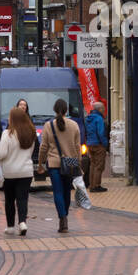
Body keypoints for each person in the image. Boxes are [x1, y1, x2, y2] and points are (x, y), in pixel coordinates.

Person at [37, 98, 82, 234]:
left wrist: (40, 162)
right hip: (70, 164)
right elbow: (77, 147)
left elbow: (43, 147)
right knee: (67, 192)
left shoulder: (48, 126)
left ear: (54, 110)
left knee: (57, 192)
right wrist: (78, 163)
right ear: (66, 110)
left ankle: (62, 218)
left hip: (54, 163)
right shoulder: (74, 125)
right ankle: (65, 216)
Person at [0, 105, 36, 236]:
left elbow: (2, 154)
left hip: (10, 172)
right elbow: (30, 152)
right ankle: (23, 222)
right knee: (23, 198)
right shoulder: (31, 133)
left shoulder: (7, 134)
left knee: (9, 200)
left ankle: (10, 226)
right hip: (26, 171)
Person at [85, 100, 109, 192]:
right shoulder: (99, 119)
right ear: (99, 109)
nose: (104, 109)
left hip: (90, 144)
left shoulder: (88, 118)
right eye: (103, 108)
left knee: (93, 165)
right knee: (99, 166)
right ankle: (96, 186)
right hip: (98, 144)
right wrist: (105, 144)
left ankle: (91, 185)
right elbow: (101, 132)